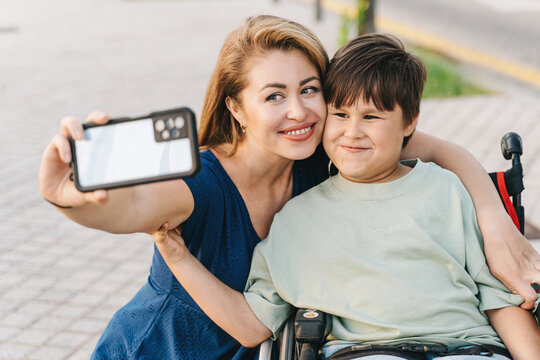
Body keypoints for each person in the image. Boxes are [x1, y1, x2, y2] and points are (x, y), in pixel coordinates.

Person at [38, 15, 539, 360]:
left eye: (310, 90)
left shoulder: (324, 151)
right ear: (236, 108)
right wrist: (70, 200)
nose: (299, 112)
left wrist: (494, 221)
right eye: (274, 96)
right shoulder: (200, 183)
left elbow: (436, 151)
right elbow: (130, 210)